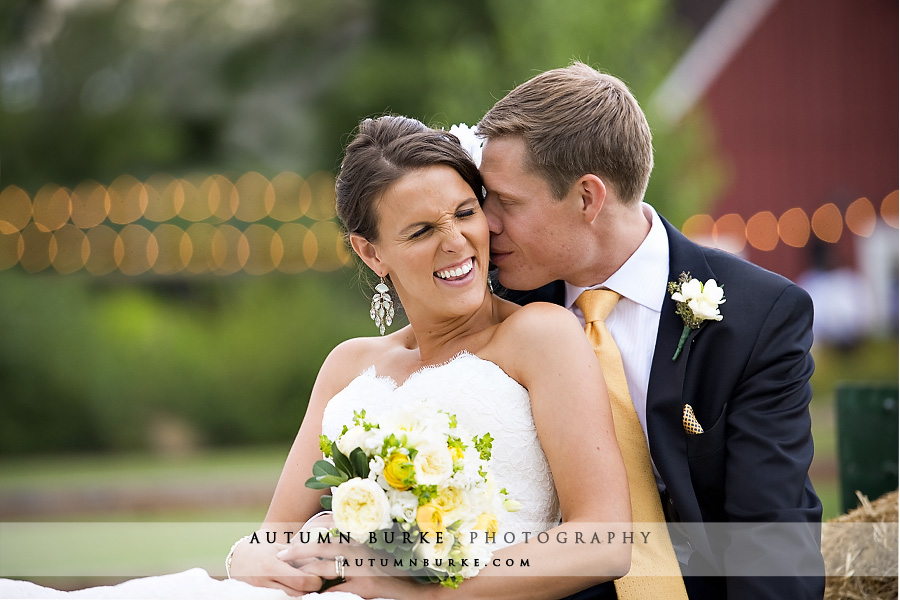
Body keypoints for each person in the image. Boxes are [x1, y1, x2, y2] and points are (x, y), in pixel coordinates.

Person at [0, 115, 632, 599]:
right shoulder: (348, 365)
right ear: (371, 254)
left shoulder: (542, 337)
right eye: (419, 231)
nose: (456, 241)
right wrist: (246, 557)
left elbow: (603, 543)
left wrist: (410, 585)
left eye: (466, 213)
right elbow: (273, 535)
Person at [476, 62, 825, 599]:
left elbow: (772, 537)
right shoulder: (491, 307)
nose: (486, 223)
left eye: (507, 203)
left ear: (588, 198)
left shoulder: (759, 315)